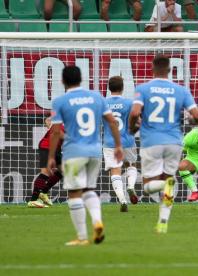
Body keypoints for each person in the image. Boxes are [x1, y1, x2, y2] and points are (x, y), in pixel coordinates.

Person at [48, 66, 123, 246]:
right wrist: (118, 145)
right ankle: (97, 221)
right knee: (89, 189)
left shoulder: (60, 101)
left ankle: (82, 237)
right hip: (95, 151)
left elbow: (56, 132)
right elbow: (112, 122)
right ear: (81, 79)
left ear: (63, 81)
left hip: (74, 152)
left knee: (75, 192)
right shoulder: (97, 97)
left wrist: (51, 156)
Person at [129, 56, 198, 234]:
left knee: (148, 186)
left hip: (151, 141)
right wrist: (192, 120)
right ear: (170, 70)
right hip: (174, 142)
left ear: (152, 69)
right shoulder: (181, 90)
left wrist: (133, 127)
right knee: (168, 179)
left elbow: (134, 112)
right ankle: (163, 222)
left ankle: (164, 187)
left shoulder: (143, 89)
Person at [103, 76, 139, 213]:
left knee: (115, 170)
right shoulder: (129, 103)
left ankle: (123, 200)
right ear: (123, 88)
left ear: (108, 88)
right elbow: (136, 120)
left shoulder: (103, 103)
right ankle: (130, 185)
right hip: (128, 140)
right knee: (131, 165)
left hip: (110, 142)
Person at [27, 117, 64, 208]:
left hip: (56, 148)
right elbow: (59, 133)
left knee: (63, 170)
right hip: (47, 146)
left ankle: (43, 192)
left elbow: (48, 121)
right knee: (46, 172)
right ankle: (33, 200)